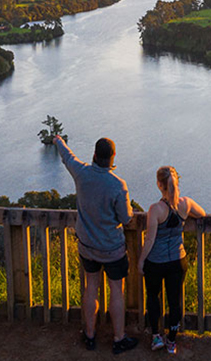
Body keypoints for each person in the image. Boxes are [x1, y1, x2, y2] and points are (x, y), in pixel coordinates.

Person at [54, 135, 139, 354]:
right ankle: (118, 338)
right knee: (116, 291)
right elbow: (126, 218)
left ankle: (90, 335)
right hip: (112, 249)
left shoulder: (82, 173)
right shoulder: (118, 185)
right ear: (113, 157)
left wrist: (59, 141)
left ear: (94, 155)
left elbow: (67, 157)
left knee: (90, 287)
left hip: (87, 247)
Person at [137, 166, 205, 355]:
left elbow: (150, 239)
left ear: (159, 185)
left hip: (156, 263)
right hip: (177, 260)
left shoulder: (155, 209)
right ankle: (172, 341)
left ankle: (156, 337)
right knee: (174, 301)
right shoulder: (185, 204)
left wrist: (141, 261)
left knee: (153, 298)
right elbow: (202, 214)